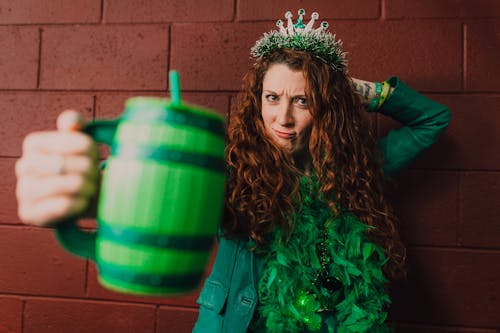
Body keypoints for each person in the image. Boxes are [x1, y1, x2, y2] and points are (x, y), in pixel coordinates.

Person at [15, 9, 450, 333]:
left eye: (302, 100)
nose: (283, 118)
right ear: (257, 100)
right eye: (272, 97)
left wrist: (364, 91)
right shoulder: (230, 169)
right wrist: (86, 187)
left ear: (325, 108)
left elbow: (434, 120)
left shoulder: (359, 169)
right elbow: (163, 183)